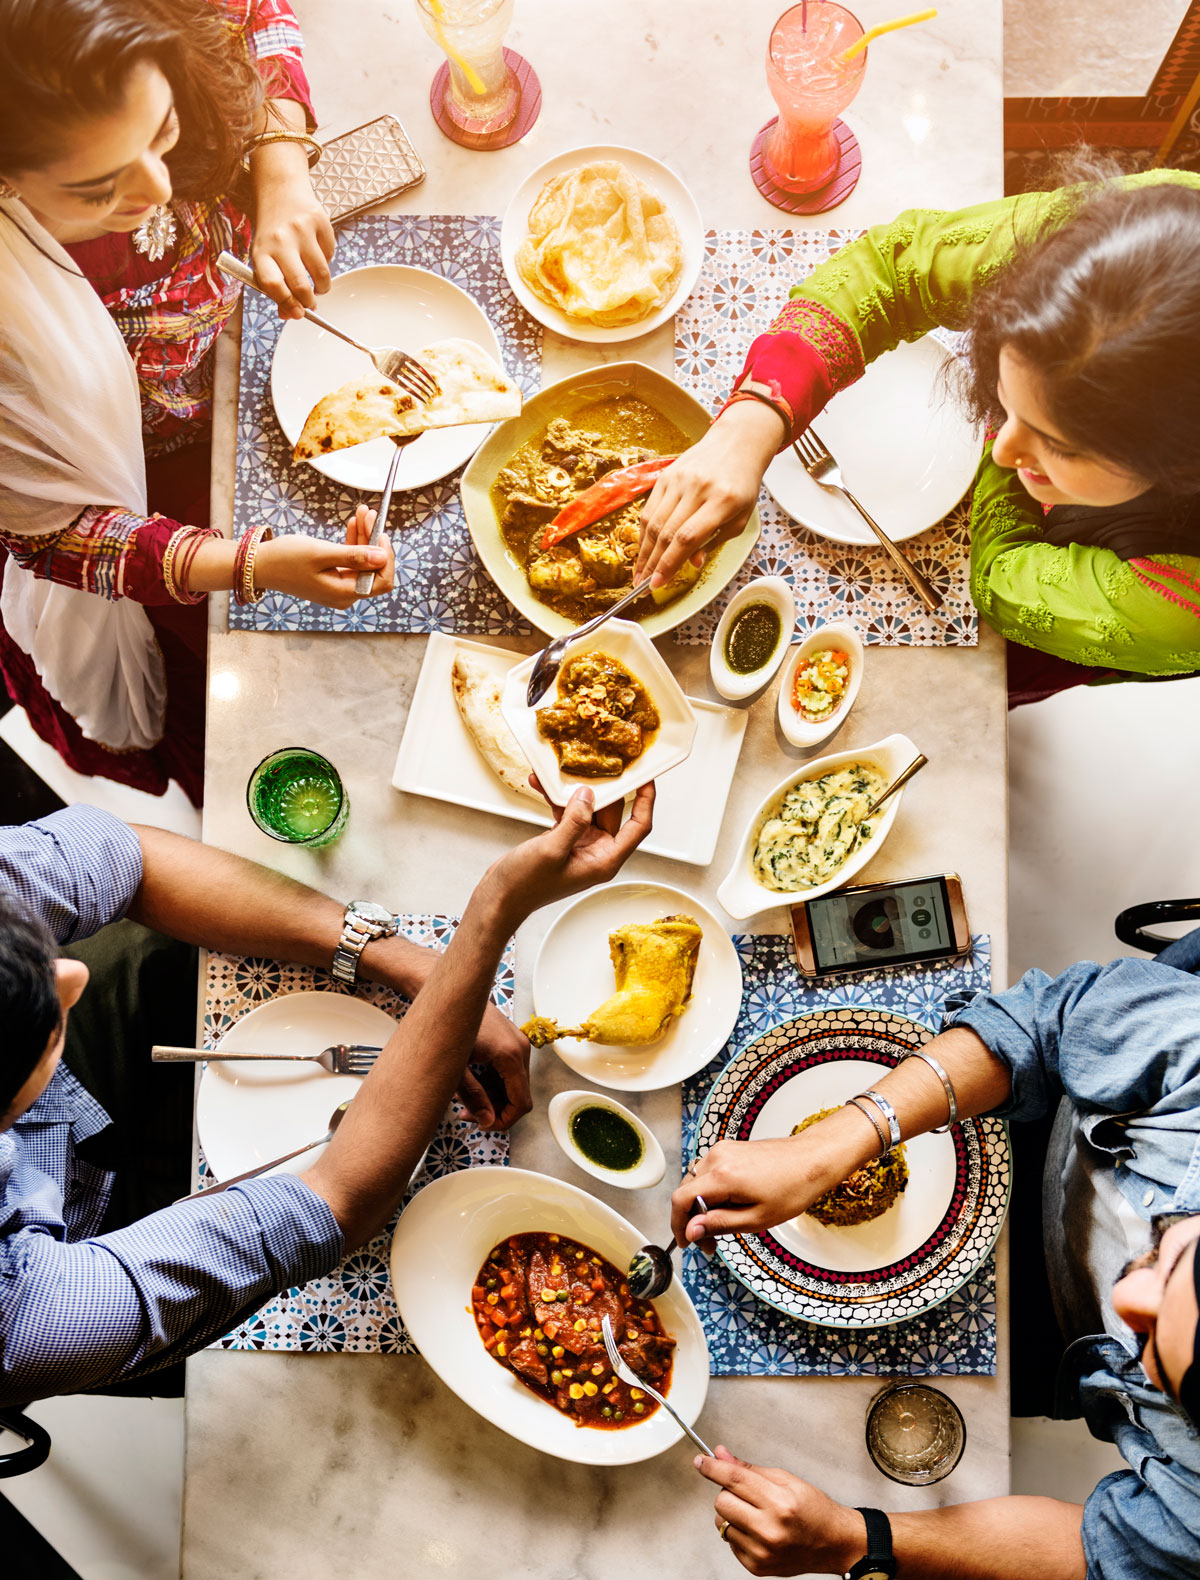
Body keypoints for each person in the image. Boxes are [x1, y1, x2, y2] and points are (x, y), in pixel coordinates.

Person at [0, 784, 653, 1404]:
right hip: (90, 1248)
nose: (73, 969)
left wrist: (405, 961)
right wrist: (491, 916)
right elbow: (336, 1203)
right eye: (46, 1008)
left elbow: (131, 859)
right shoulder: (23, 1321)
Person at [670, 932, 1200, 1579]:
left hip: (1053, 1344)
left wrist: (853, 1538)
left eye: (1154, 1352)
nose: (1123, 1299)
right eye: (1175, 1266)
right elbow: (1045, 1027)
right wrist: (827, 1148)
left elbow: (1105, 1549)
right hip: (1046, 1111)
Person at [0, 0, 395, 806]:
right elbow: (55, 538)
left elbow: (257, 13)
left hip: (219, 378)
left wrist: (281, 170)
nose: (158, 187)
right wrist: (249, 563)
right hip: (129, 474)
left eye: (163, 129)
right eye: (97, 188)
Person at [635, 166, 1200, 708]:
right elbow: (896, 266)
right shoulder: (1149, 234)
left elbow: (1002, 581)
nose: (1003, 448)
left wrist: (1005, 453)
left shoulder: (1180, 607)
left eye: (1064, 445)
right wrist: (751, 420)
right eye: (1008, 397)